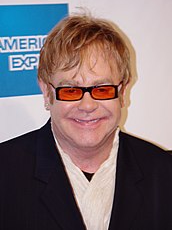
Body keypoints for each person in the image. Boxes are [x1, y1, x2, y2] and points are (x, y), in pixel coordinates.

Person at [0, 13, 172, 230]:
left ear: (122, 92)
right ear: (46, 92)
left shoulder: (164, 174)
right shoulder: (4, 173)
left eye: (102, 89)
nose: (88, 106)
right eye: (71, 90)